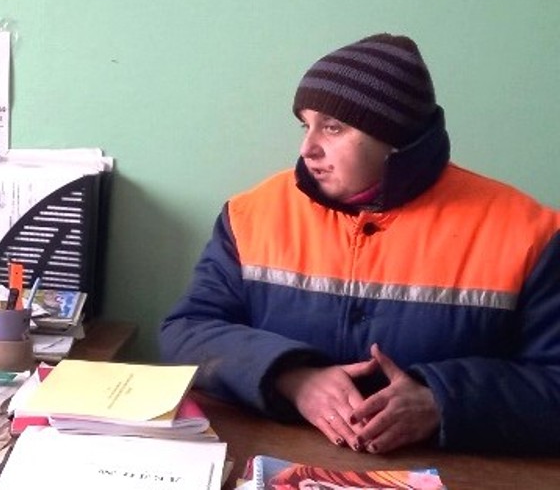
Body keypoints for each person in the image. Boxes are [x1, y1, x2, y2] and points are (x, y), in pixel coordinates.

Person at [159, 33, 560, 456]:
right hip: (274, 461)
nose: (307, 148)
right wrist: (291, 378)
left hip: (451, 471)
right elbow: (186, 331)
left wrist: (441, 402)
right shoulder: (250, 215)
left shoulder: (531, 234)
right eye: (306, 125)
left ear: (397, 137)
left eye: (333, 127)